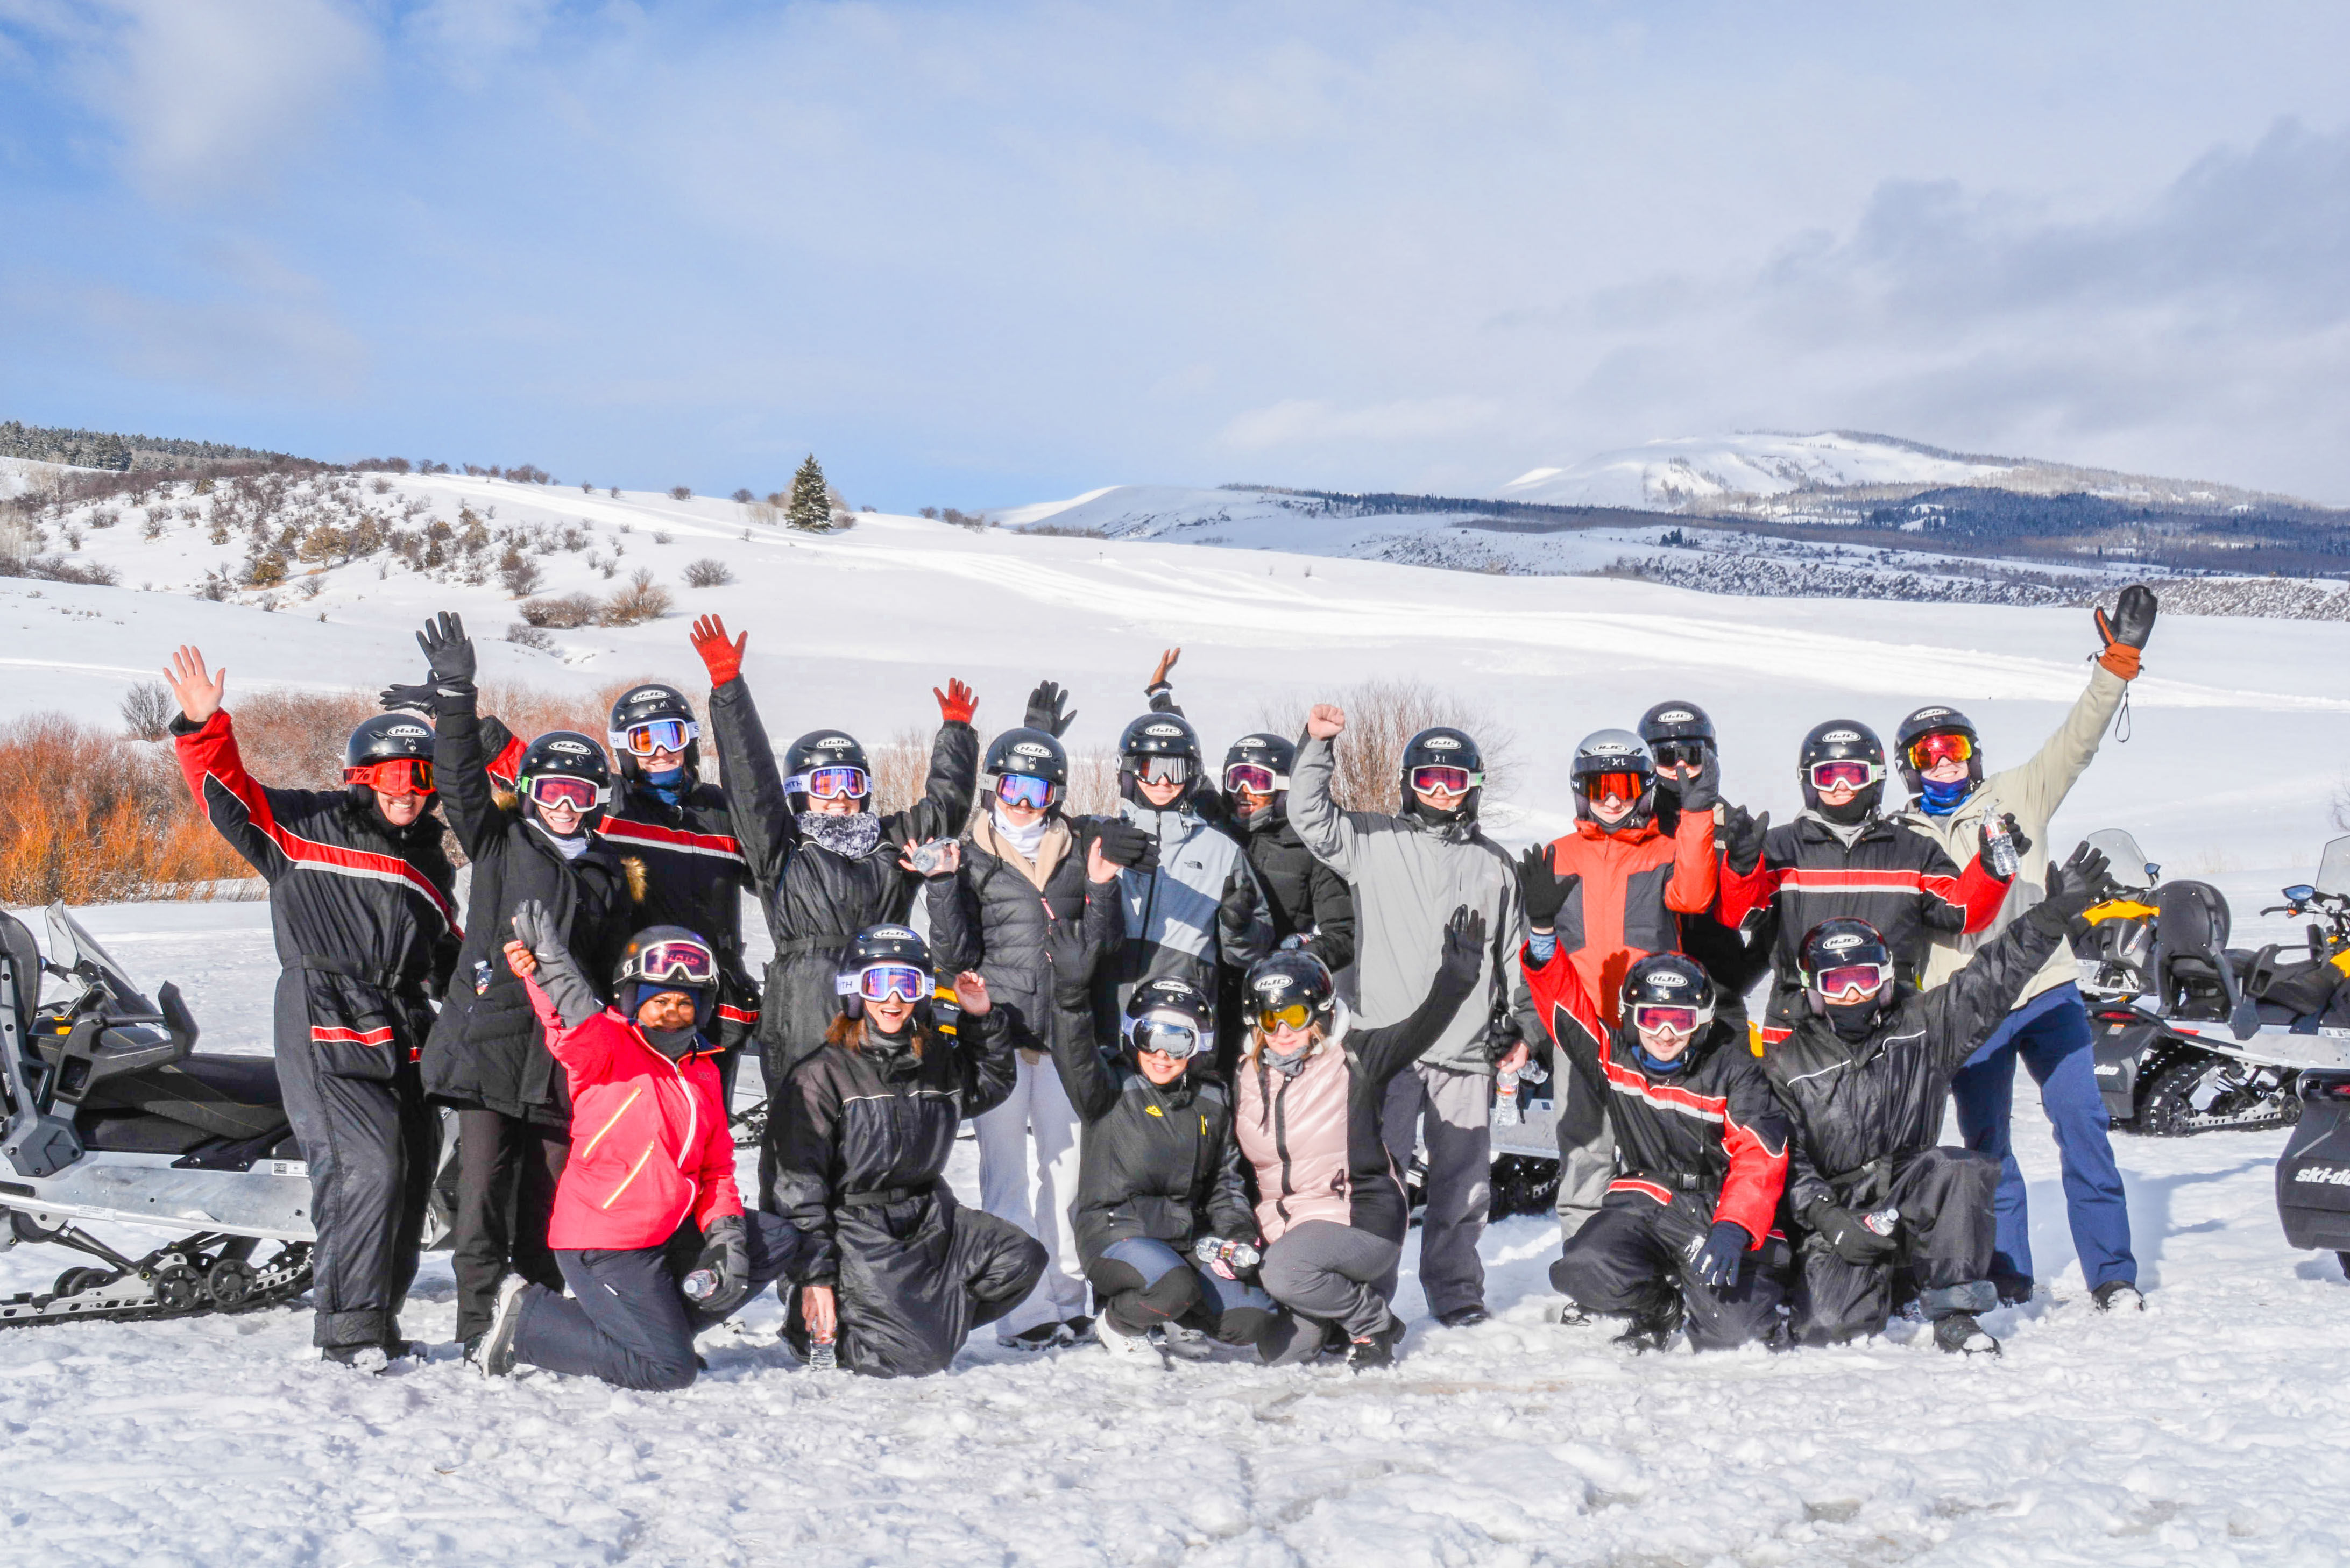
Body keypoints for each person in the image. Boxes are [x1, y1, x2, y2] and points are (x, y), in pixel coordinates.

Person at [163, 646, 456, 1366]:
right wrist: (205, 729)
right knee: (366, 1167)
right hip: (323, 1012)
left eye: (419, 776)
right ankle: (347, 1331)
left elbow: (445, 955)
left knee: (412, 1177)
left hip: (404, 1028)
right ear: (360, 777)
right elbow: (228, 794)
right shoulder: (306, 827)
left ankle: (379, 1323)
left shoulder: (433, 859)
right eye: (390, 775)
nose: (406, 790)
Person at [1892, 586, 2158, 1310]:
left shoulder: (2019, 795)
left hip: (2045, 991)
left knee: (2084, 1127)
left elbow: (2080, 736)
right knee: (1987, 1151)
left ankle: (2114, 1274)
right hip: (1968, 1009)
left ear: (1976, 758)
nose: (1946, 762)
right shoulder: (1901, 839)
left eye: (1957, 749)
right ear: (1911, 767)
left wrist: (2118, 662)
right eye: (1930, 752)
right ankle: (2008, 1273)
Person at [1761, 842, 2114, 1355]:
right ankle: (1890, 1280)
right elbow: (1788, 1162)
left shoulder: (1926, 1025)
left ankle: (1954, 1311)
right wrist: (1829, 1220)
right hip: (1839, 1208)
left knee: (1958, 1168)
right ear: (1814, 990)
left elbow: (1992, 976)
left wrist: (2050, 916)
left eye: (1864, 978)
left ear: (1884, 978)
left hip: (1910, 1186)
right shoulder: (1786, 1065)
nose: (1852, 994)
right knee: (1832, 1326)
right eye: (1836, 982)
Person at [690, 614, 978, 1207]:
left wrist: (955, 735)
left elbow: (944, 808)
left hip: (884, 991)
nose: (841, 795)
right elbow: (750, 783)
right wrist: (729, 692)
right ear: (800, 791)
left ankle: (878, 1253)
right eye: (825, 783)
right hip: (804, 995)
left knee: (879, 1129)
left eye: (851, 781)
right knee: (803, 1136)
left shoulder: (891, 838)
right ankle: (803, 1264)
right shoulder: (782, 846)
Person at [409, 613, 635, 1357]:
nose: (566, 802)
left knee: (549, 1203)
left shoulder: (610, 872)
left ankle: (534, 1320)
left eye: (580, 789)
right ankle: (476, 1325)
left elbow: (610, 971)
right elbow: (458, 778)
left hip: (563, 1064)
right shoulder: (501, 839)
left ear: (597, 794)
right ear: (531, 790)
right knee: (480, 1202)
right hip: (491, 1047)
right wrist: (454, 694)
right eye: (553, 788)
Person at [1288, 706, 1540, 1329]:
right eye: (1428, 778)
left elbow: (1515, 957)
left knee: (1464, 1186)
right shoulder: (1374, 841)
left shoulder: (1494, 865)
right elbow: (1310, 818)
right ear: (1408, 784)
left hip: (1465, 1050)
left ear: (1473, 789)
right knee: (1380, 1181)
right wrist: (1318, 746)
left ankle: (1456, 1291)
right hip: (1389, 1049)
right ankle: (1368, 1294)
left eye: (1454, 781)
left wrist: (1525, 1029)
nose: (1440, 791)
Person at [479, 914, 805, 1390]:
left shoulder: (702, 1071)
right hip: (605, 1244)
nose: (672, 1012)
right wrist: (548, 968)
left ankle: (658, 1334)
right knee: (669, 1370)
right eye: (658, 1002)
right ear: (634, 1002)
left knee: (772, 1238)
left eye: (682, 1003)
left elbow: (715, 1166)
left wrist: (727, 1233)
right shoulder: (609, 1048)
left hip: (666, 1235)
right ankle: (531, 1320)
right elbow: (570, 1024)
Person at [929, 713, 1129, 1349]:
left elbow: (1104, 949)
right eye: (1012, 788)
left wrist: (1100, 891)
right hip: (998, 1040)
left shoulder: (1077, 852)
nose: (1022, 803)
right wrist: (940, 886)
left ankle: (1068, 1296)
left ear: (1057, 797)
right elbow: (953, 951)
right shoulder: (972, 854)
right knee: (1006, 1176)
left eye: (1037, 792)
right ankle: (1024, 1309)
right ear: (994, 790)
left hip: (1064, 1038)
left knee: (1067, 1177)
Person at [771, 924, 1047, 1377]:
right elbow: (796, 1186)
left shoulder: (933, 1056)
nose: (894, 998)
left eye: (908, 984)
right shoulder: (821, 1074)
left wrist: (979, 1018)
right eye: (879, 983)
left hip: (929, 1214)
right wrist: (814, 1275)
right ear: (856, 990)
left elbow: (989, 1086)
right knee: (918, 1358)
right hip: (858, 1228)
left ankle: (912, 1322)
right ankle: (822, 1328)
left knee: (1021, 1259)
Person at [1234, 909, 1485, 1368]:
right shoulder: (1246, 1078)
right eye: (1270, 1019)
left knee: (1286, 1273)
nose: (1282, 1031)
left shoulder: (1355, 1057)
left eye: (1293, 1015)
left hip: (1361, 1219)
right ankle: (1336, 1312)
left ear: (1319, 1014)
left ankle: (1374, 1322)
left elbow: (1419, 1029)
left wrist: (1455, 981)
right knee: (1284, 1350)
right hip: (1288, 1229)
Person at [1521, 946, 1791, 1351]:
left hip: (1714, 1215)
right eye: (1651, 1017)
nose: (1665, 1034)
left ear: (1702, 1021)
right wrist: (1543, 946)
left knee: (1736, 1338)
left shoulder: (1734, 1070)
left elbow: (1759, 1153)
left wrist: (1735, 1224)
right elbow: (1566, 1010)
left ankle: (1714, 1289)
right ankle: (1657, 1304)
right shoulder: (1613, 1057)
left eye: (1680, 1021)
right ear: (1631, 1017)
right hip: (1646, 1205)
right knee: (1581, 1267)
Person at [1518, 729, 1720, 1243]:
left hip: (1651, 1032)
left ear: (1646, 789)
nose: (1612, 797)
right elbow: (1536, 951)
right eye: (1599, 785)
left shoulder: (1665, 850)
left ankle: (1657, 1257)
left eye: (1625, 785)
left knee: (1657, 1150)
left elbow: (1695, 896)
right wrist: (1531, 1025)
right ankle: (1584, 1259)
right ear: (1581, 790)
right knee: (1585, 1150)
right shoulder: (1557, 857)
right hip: (1581, 1028)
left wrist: (1696, 812)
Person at [1715, 719, 2013, 1046]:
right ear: (1809, 782)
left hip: (1892, 1023)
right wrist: (1742, 867)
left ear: (1876, 776)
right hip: (1797, 1026)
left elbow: (1963, 913)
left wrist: (1990, 869)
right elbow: (1741, 916)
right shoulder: (1780, 848)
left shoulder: (1912, 850)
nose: (1841, 785)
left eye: (1853, 774)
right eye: (1828, 775)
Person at [1044, 950, 1278, 1364]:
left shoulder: (1211, 1099)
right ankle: (1119, 1323)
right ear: (1133, 1035)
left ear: (1198, 1045)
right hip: (1116, 1234)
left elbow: (1226, 1184)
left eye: (1178, 1040)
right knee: (1172, 1286)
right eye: (1151, 1036)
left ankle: (1174, 1315)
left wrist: (1237, 1232)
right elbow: (1074, 1052)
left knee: (1251, 1318)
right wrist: (1070, 997)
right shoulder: (1109, 1085)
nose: (1162, 1054)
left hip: (1183, 1240)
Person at [1142, 650, 1357, 1069]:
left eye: (1255, 780)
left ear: (1281, 788)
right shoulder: (1219, 822)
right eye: (1235, 777)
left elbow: (1342, 935)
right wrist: (1161, 697)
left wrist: (1300, 952)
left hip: (1274, 998)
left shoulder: (1311, 847)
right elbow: (1185, 759)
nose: (1242, 790)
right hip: (1213, 984)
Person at [597, 679, 762, 1085]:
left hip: (712, 995)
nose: (659, 751)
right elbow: (543, 769)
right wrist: (457, 705)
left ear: (688, 740)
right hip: (639, 996)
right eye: (644, 740)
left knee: (707, 1121)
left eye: (670, 735)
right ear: (625, 749)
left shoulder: (721, 810)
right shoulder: (613, 805)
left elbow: (770, 864)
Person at [1099, 703, 1275, 1030]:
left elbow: (1251, 951)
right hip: (1106, 1011)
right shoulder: (1106, 838)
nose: (1164, 781)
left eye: (1176, 770)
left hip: (1183, 1018)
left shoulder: (1221, 851)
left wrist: (1238, 928)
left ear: (1192, 775)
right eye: (1151, 768)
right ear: (1128, 772)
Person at [1638, 700, 1776, 1036]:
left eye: (1692, 754)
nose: (1680, 766)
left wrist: (1740, 976)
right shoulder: (1634, 821)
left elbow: (1755, 919)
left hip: (1715, 990)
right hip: (1644, 990)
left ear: (1711, 758)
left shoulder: (1732, 826)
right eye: (1667, 757)